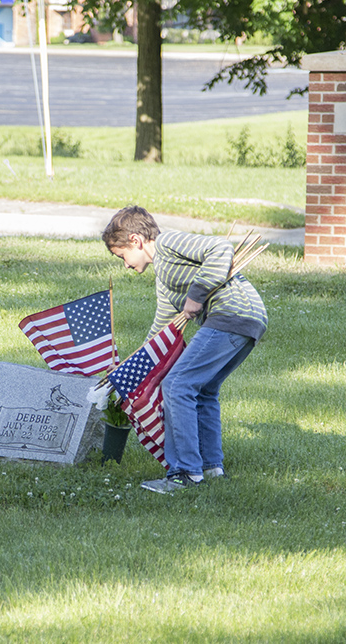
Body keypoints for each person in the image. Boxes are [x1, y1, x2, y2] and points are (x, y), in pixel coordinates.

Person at [103, 205, 267, 494]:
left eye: (122, 256)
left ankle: (186, 474)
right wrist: (132, 364)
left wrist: (196, 295)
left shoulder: (168, 244)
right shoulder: (164, 281)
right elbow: (163, 328)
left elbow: (220, 247)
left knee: (177, 385)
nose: (126, 265)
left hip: (231, 314)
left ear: (135, 241)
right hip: (247, 319)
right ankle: (211, 468)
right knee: (203, 390)